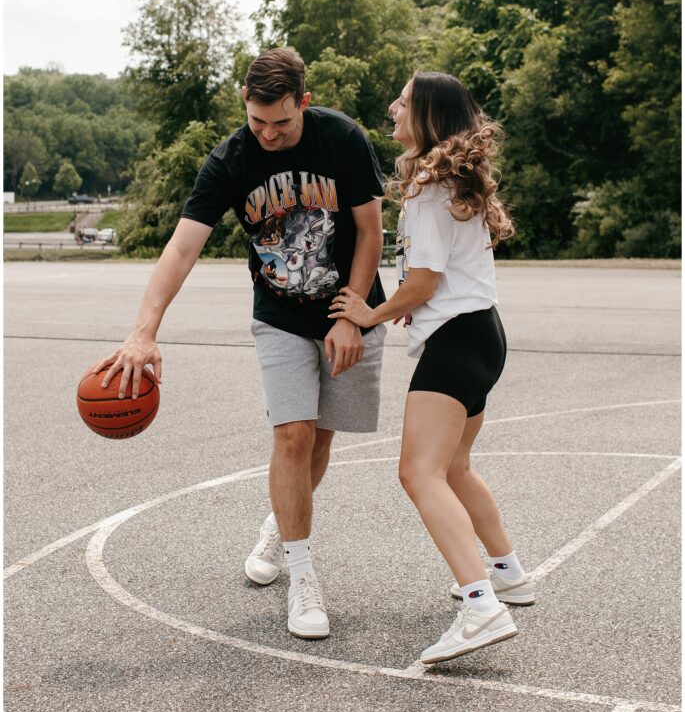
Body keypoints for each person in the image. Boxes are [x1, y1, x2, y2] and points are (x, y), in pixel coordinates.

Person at [93, 47, 386, 640]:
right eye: (257, 122)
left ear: (303, 101)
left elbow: (371, 231)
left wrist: (353, 315)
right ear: (244, 107)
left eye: (281, 122)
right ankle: (303, 577)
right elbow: (181, 248)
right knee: (292, 433)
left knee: (320, 440)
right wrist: (143, 329)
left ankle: (280, 528)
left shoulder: (342, 138)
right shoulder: (229, 159)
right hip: (278, 313)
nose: (269, 134)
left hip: (347, 309)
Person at [329, 70, 533, 665]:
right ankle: (507, 572)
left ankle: (480, 608)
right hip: (481, 334)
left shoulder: (430, 191)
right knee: (455, 466)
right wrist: (403, 309)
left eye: (404, 101)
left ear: (428, 117)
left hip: (456, 341)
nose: (392, 107)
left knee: (418, 474)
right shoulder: (450, 185)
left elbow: (423, 282)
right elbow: (433, 282)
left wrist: (370, 314)